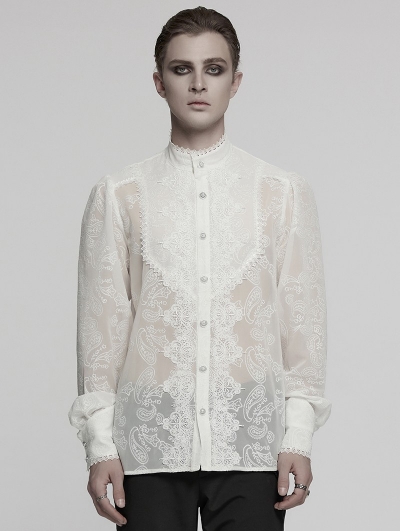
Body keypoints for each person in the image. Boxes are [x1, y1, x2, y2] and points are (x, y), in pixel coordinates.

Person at [68, 6, 332, 530]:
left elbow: (302, 326)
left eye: (214, 69)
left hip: (251, 442)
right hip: (148, 443)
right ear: (159, 82)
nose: (197, 84)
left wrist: (298, 436)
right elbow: (101, 334)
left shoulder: (281, 193)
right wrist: (100, 446)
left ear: (236, 82)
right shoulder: (119, 195)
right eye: (181, 68)